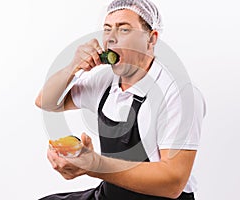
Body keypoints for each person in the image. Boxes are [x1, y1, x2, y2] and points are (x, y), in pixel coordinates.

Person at [35, 0, 206, 199]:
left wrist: (95, 165)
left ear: (151, 39)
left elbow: (173, 183)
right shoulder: (106, 80)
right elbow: (45, 102)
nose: (111, 39)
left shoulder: (178, 93)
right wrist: (73, 66)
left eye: (124, 30)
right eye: (107, 29)